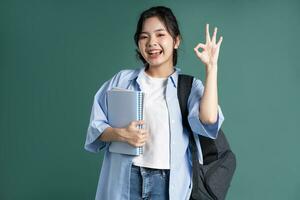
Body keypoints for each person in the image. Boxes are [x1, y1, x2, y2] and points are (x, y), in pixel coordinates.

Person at [84, 6, 224, 200]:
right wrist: (120, 134)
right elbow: (95, 127)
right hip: (126, 178)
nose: (152, 43)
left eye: (160, 35)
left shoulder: (189, 87)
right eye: (144, 37)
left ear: (176, 41)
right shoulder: (122, 81)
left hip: (167, 183)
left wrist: (211, 67)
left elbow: (209, 119)